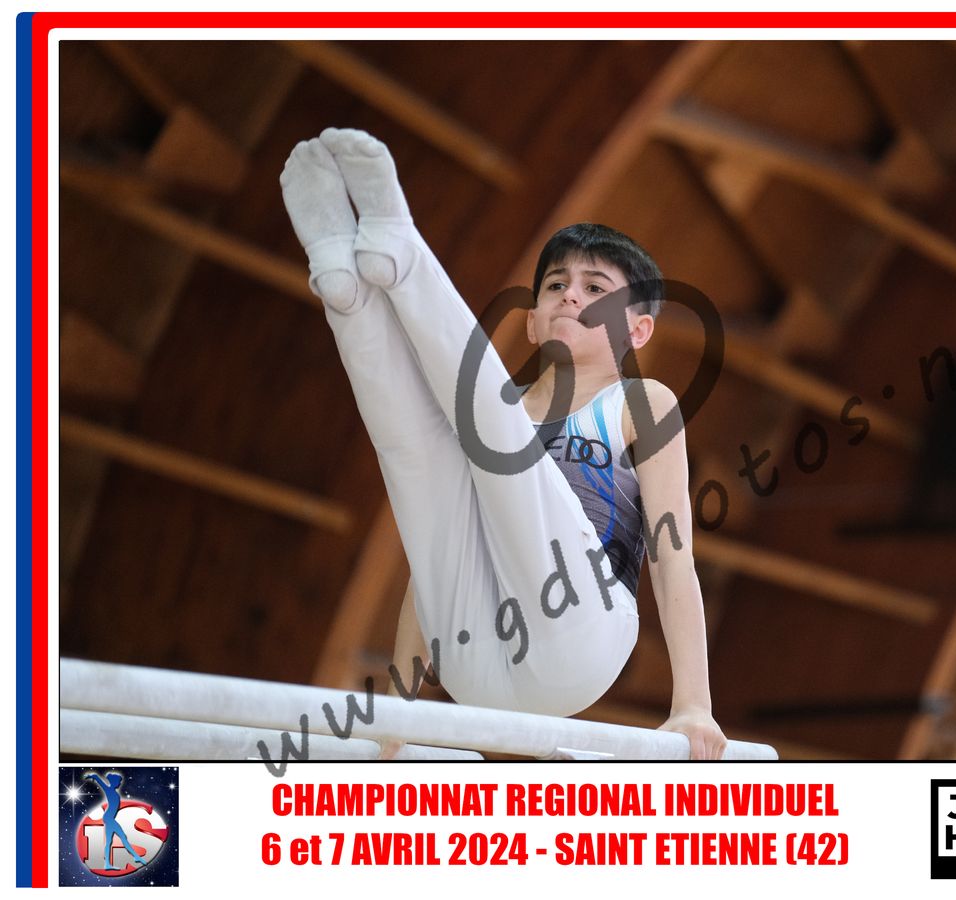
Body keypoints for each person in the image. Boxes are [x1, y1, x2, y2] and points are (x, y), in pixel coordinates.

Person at [281, 128, 725, 759]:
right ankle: (347, 294)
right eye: (556, 286)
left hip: (578, 636)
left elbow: (672, 554)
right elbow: (435, 550)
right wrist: (398, 718)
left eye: (596, 289)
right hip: (471, 663)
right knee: (417, 459)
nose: (570, 295)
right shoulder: (495, 409)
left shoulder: (641, 403)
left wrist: (693, 704)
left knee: (491, 431)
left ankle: (402, 255)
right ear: (532, 322)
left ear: (638, 330)